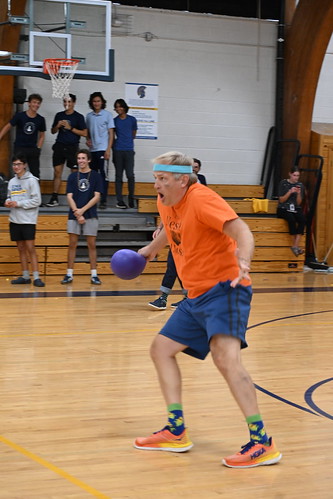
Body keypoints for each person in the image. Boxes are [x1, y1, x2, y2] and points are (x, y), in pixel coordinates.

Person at [135, 151, 282, 469]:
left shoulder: (203, 200)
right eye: (156, 178)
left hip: (226, 289)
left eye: (162, 179)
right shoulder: (165, 201)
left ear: (182, 180)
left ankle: (262, 442)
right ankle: (176, 431)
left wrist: (245, 259)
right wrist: (147, 252)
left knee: (226, 359)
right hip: (195, 294)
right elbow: (170, 230)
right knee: (161, 350)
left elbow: (242, 230)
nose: (156, 184)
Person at [149, 157, 206, 310]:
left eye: (196, 166)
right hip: (177, 234)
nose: (194, 168)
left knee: (179, 267)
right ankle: (171, 297)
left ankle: (185, 297)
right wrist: (161, 228)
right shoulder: (172, 191)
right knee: (173, 265)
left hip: (191, 236)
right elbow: (170, 214)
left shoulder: (197, 191)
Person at [61, 149, 103, 285]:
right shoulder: (72, 177)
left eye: (83, 158)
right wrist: (76, 212)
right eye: (79, 158)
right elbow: (69, 196)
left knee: (91, 245)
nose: (81, 161)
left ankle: (94, 275)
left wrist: (82, 211)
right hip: (74, 216)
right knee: (72, 244)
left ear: (89, 160)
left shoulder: (96, 176)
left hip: (90, 215)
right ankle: (69, 274)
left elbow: (97, 196)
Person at [4, 153, 45, 287]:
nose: (16, 167)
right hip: (15, 220)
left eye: (19, 164)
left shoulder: (32, 181)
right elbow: (9, 197)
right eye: (14, 164)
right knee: (20, 248)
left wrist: (19, 204)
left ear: (24, 165)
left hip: (28, 220)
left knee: (30, 248)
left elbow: (37, 200)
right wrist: (8, 202)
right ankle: (25, 275)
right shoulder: (11, 181)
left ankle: (37, 277)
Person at [46, 94, 87, 207]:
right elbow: (53, 131)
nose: (67, 104)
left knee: (74, 173)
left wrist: (71, 128)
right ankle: (54, 197)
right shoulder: (59, 115)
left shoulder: (79, 117)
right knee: (57, 172)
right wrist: (58, 126)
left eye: (69, 102)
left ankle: (75, 197)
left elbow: (84, 133)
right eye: (65, 102)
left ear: (74, 103)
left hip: (72, 147)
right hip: (60, 146)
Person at [0, 93, 46, 179]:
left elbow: (42, 135)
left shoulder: (40, 119)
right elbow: (8, 126)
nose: (36, 105)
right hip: (20, 148)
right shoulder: (20, 116)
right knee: (18, 171)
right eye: (34, 102)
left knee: (35, 173)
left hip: (32, 149)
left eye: (38, 103)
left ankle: (35, 192)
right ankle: (18, 191)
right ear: (29, 103)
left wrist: (38, 148)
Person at [86, 92, 115, 210]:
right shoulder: (88, 116)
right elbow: (86, 131)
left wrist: (108, 149)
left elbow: (111, 133)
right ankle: (92, 199)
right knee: (92, 175)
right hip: (92, 150)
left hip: (103, 149)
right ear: (91, 103)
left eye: (98, 101)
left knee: (103, 175)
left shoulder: (108, 115)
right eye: (94, 101)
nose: (96, 103)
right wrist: (87, 139)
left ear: (102, 102)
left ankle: (103, 200)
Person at [113, 98, 137, 209]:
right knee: (118, 176)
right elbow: (112, 135)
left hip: (129, 150)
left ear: (124, 107)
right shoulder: (114, 120)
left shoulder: (132, 119)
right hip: (118, 150)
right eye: (116, 107)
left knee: (130, 175)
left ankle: (131, 198)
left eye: (120, 106)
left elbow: (133, 134)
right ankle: (120, 200)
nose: (118, 108)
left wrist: (127, 143)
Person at [277, 166, 306, 256]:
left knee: (302, 220)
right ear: (290, 174)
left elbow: (299, 203)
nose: (296, 178)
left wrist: (298, 194)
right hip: (284, 208)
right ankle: (295, 246)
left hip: (295, 208)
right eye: (294, 175)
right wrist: (290, 192)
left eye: (297, 176)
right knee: (291, 219)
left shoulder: (300, 185)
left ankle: (295, 246)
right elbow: (281, 200)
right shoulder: (283, 183)